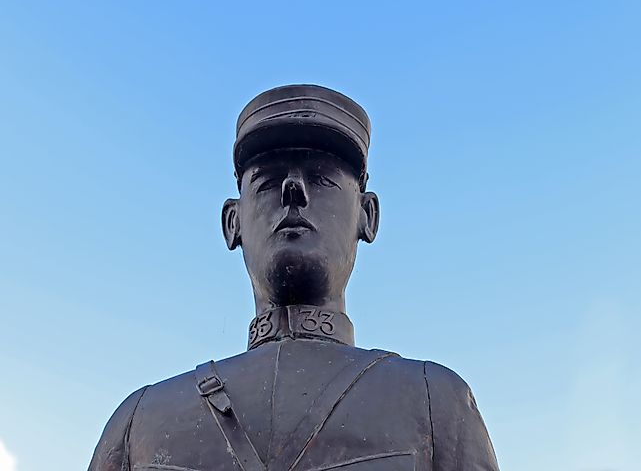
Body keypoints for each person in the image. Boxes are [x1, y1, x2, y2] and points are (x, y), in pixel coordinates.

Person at [89, 84, 500, 471]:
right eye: (267, 182)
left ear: (367, 215)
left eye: (322, 178)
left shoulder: (433, 404)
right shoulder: (139, 423)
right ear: (232, 222)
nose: (293, 190)